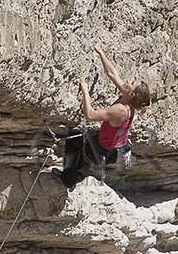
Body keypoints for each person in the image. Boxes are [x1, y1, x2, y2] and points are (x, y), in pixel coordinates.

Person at [61, 47, 151, 189]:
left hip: (100, 150)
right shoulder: (128, 99)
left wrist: (85, 92)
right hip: (108, 148)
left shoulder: (120, 110)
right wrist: (101, 53)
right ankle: (80, 172)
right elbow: (111, 73)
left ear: (132, 94)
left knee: (73, 137)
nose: (129, 81)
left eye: (132, 83)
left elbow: (90, 115)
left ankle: (68, 180)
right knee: (83, 139)